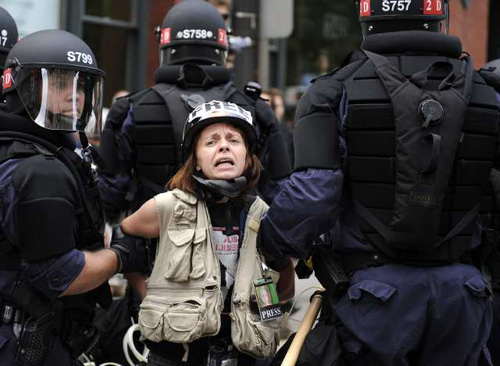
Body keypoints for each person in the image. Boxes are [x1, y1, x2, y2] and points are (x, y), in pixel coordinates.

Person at [259, 1, 500, 365]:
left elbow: (314, 193)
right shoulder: (487, 94)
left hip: (372, 305)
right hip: (462, 300)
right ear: (438, 14)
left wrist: (271, 246)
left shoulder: (332, 91)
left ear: (367, 14)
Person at [0, 29, 148, 366]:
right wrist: (122, 256)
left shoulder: (25, 151)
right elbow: (59, 275)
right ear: (26, 86)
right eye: (61, 83)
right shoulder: (39, 170)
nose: (75, 96)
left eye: (81, 85)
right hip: (24, 344)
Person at [98, 0, 291, 228]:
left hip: (153, 249)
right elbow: (280, 196)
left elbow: (109, 197)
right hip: (235, 246)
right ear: (222, 44)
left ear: (165, 42)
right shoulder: (256, 111)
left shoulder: (129, 110)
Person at [120, 100, 285, 366]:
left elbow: (279, 283)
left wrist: (267, 316)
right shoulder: (168, 207)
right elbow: (123, 243)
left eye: (234, 140)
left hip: (242, 355)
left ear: (247, 156)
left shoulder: (262, 214)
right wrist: (149, 296)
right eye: (211, 142)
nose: (224, 146)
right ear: (195, 161)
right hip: (177, 355)